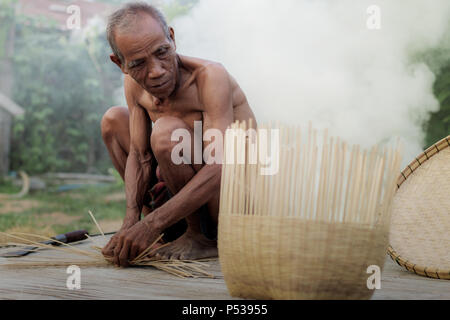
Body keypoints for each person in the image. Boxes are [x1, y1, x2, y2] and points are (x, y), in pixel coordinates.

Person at [101, 2, 256, 267]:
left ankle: (200, 237)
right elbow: (139, 156)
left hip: (231, 202)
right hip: (178, 199)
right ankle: (165, 232)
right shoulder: (133, 84)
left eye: (162, 52)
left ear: (171, 38)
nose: (157, 71)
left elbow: (222, 165)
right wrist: (131, 223)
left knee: (166, 133)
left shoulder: (209, 77)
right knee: (113, 120)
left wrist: (151, 224)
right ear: (121, 64)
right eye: (138, 63)